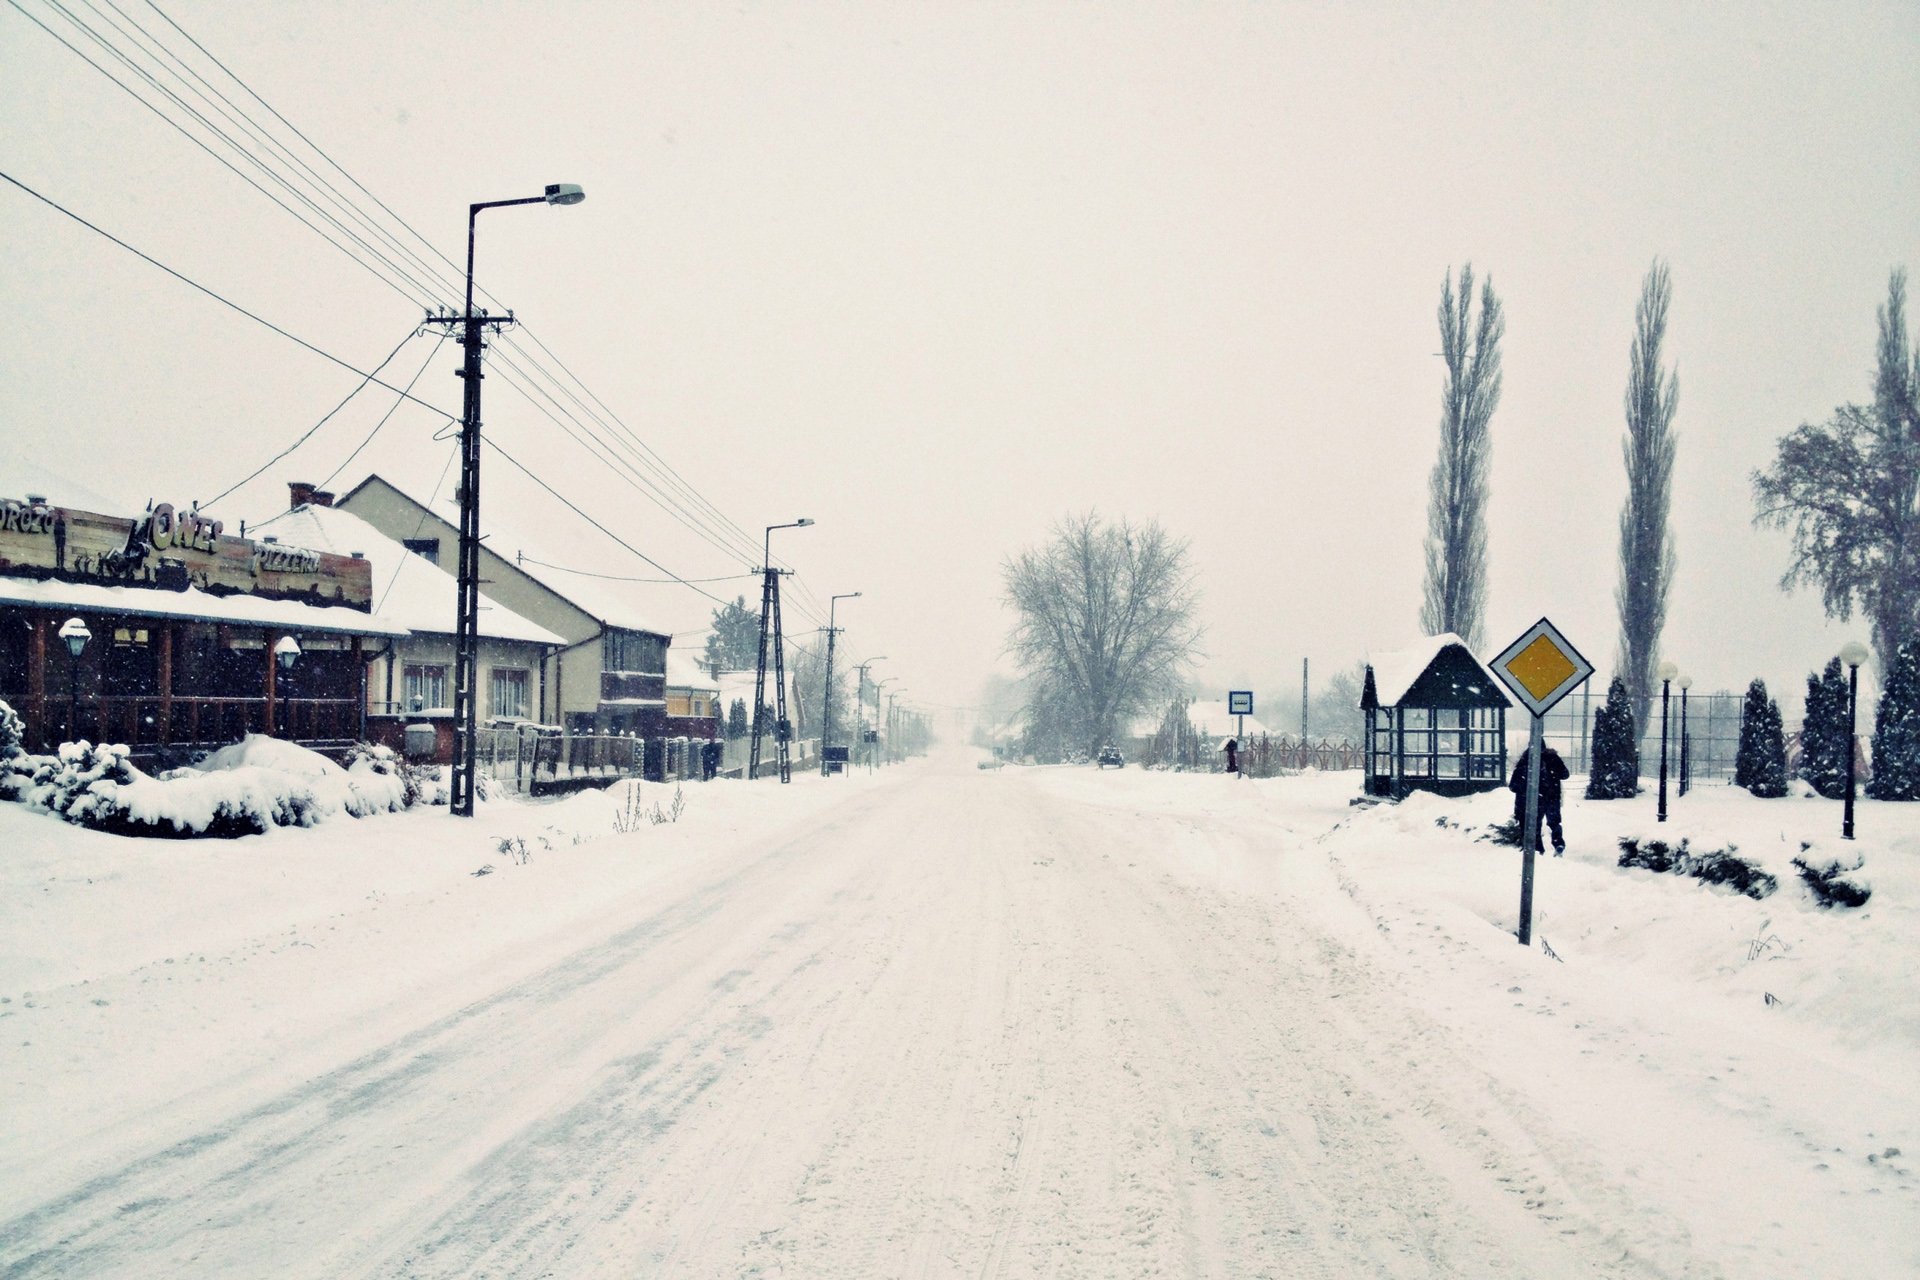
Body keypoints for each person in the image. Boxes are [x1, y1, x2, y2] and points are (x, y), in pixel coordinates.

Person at [1508, 745, 1570, 855]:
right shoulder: (1552, 758)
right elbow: (1565, 774)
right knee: (1554, 822)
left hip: (1533, 799)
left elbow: (1513, 786)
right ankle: (1558, 843)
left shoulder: (1525, 761)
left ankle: (1538, 849)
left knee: (1534, 824)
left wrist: (1525, 788)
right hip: (1552, 797)